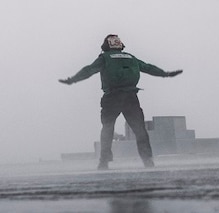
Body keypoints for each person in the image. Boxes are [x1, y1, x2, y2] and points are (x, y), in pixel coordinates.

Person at [59, 34, 182, 170]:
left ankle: (104, 161)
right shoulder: (130, 57)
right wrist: (166, 74)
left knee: (107, 129)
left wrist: (73, 79)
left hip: (112, 97)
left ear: (105, 46)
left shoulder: (104, 58)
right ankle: (148, 160)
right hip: (131, 97)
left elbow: (88, 70)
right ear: (120, 45)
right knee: (140, 130)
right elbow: (148, 67)